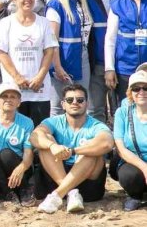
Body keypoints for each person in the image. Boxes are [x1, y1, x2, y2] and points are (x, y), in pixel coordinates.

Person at [32, 84, 113, 213]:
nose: (75, 103)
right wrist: (53, 146)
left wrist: (74, 151)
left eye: (80, 100)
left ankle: (57, 195)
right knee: (46, 142)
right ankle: (70, 193)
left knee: (92, 149)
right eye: (70, 100)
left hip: (87, 184)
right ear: (63, 104)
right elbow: (34, 136)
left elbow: (107, 143)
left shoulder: (96, 125)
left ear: (87, 103)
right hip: (56, 175)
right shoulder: (54, 121)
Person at [0, 0, 58, 127]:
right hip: (14, 87)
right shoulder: (5, 23)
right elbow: (1, 52)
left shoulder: (44, 22)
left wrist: (40, 77)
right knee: (15, 127)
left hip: (39, 88)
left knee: (39, 129)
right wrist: (17, 77)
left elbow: (49, 51)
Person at [85, 0, 130, 123]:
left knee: (123, 108)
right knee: (95, 109)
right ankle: (101, 148)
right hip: (96, 60)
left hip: (123, 61)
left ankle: (123, 147)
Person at [46, 0, 92, 116]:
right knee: (59, 105)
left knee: (81, 101)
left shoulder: (79, 1)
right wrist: (57, 67)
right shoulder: (56, 4)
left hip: (82, 57)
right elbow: (52, 40)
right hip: (63, 60)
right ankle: (56, 138)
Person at [104, 0, 147, 112]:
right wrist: (109, 69)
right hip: (124, 68)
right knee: (126, 108)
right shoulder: (117, 4)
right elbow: (110, 38)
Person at [111, 70, 147, 211]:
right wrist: (144, 168)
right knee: (129, 176)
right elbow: (120, 148)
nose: (141, 92)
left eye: (146, 88)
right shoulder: (122, 113)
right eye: (136, 88)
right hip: (132, 161)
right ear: (130, 93)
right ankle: (135, 196)